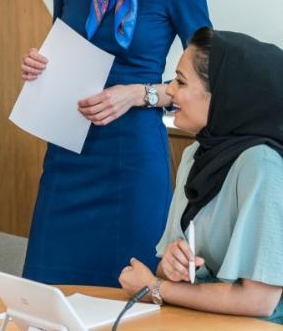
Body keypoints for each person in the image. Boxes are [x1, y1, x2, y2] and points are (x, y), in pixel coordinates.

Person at [20, 0, 211, 286]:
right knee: (49, 292)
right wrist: (39, 65)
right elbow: (63, 46)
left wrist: (138, 94)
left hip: (133, 160)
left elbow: (208, 78)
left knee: (132, 298)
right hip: (68, 155)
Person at [119, 27, 283, 322]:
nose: (169, 90)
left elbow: (259, 301)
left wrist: (155, 288)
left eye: (181, 81)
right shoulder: (195, 154)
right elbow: (165, 267)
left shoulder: (261, 165)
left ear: (222, 96)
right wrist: (170, 267)